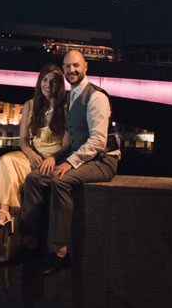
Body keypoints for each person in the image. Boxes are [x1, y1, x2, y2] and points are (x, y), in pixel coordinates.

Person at [15, 48, 119, 274]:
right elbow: (71, 141)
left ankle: (61, 253)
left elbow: (98, 141)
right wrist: (53, 158)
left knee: (61, 181)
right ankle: (30, 244)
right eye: (68, 67)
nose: (72, 70)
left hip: (103, 161)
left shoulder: (96, 97)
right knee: (34, 178)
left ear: (85, 67)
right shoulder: (70, 97)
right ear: (63, 70)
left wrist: (67, 163)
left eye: (76, 66)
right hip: (81, 157)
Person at [0, 63, 66, 232]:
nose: (48, 85)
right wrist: (31, 155)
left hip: (55, 160)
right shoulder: (30, 105)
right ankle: (3, 212)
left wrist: (52, 158)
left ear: (60, 85)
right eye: (44, 80)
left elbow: (68, 145)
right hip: (33, 157)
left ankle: (17, 225)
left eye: (53, 82)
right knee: (6, 160)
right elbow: (23, 140)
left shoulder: (66, 107)